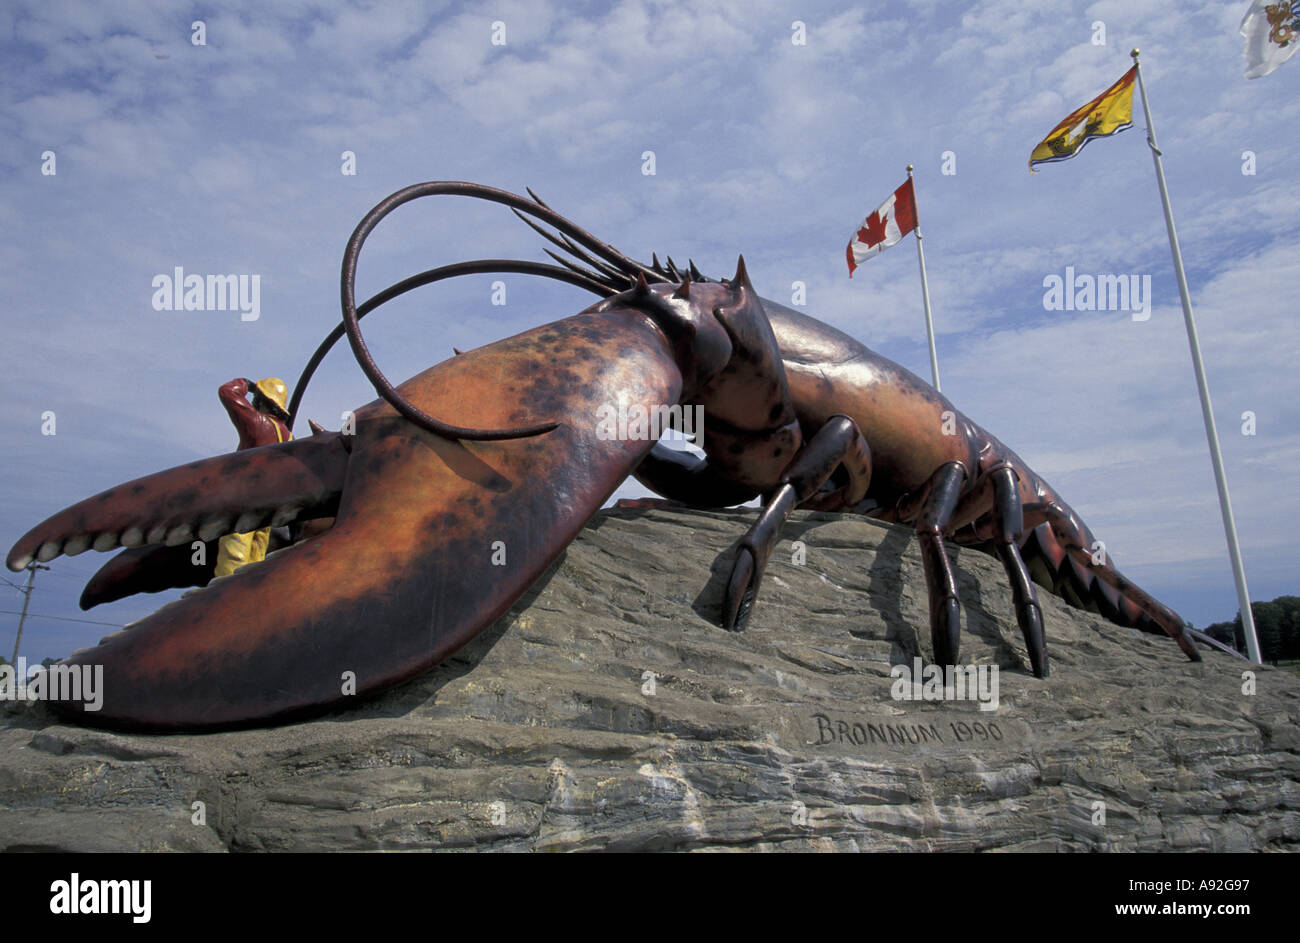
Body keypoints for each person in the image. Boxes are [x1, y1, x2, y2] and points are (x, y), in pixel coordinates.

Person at [213, 377, 293, 578]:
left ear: (260, 401)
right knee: (256, 556)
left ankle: (225, 598)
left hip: (244, 500)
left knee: (235, 554)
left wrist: (245, 385)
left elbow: (227, 392)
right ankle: (248, 595)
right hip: (269, 505)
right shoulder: (289, 436)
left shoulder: (257, 423)